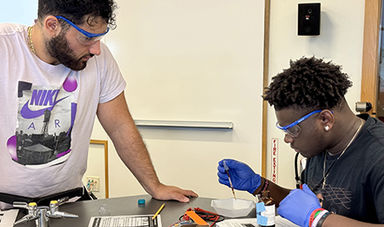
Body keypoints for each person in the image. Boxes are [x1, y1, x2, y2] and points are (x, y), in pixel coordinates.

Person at [0, 0, 197, 210]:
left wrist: (154, 186)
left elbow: (120, 126)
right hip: (5, 206)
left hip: (69, 203)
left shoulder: (99, 61)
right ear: (52, 25)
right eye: (87, 38)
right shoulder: (5, 47)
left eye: (99, 38)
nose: (96, 50)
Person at [218, 57, 384, 226]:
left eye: (293, 130)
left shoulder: (378, 155)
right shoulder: (320, 147)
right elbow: (302, 207)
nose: (287, 138)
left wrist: (318, 219)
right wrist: (260, 185)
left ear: (325, 119)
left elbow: (313, 215)